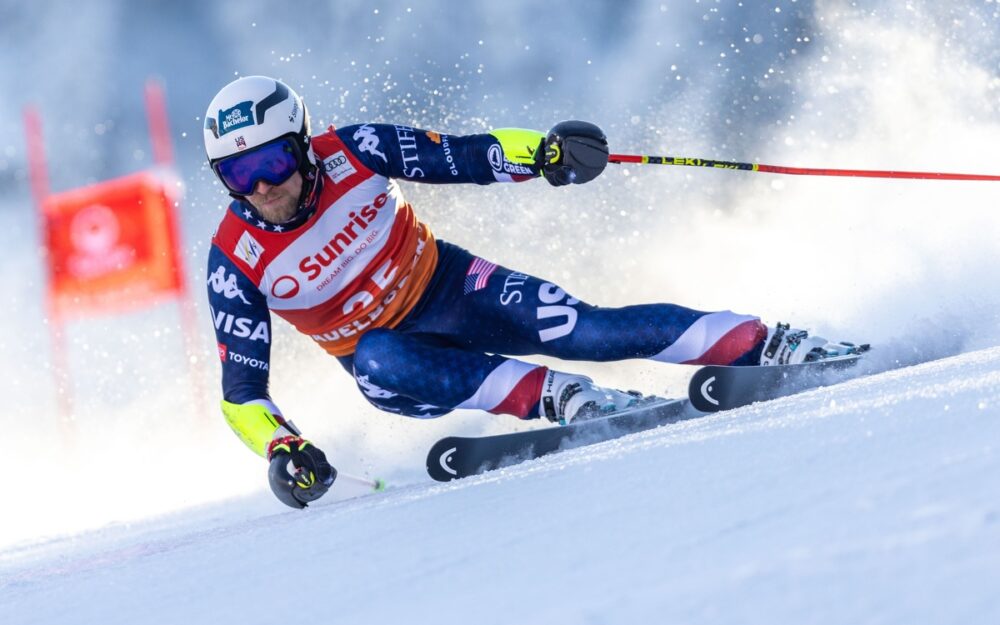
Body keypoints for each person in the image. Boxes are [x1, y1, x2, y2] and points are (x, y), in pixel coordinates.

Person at [204, 76, 837, 508]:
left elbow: (464, 155)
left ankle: (768, 344)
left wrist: (546, 154)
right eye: (237, 173)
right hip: (398, 365)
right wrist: (283, 447)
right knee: (376, 354)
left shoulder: (355, 150)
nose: (261, 187)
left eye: (273, 162)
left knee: (585, 330)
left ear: (303, 145)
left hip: (452, 285)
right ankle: (567, 399)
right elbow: (241, 395)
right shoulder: (235, 259)